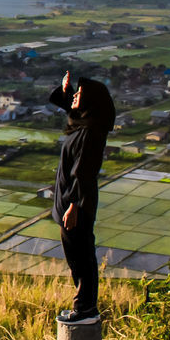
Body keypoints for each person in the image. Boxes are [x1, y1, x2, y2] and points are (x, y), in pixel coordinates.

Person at [49, 70, 115, 325]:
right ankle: (83, 306)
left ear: (90, 102)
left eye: (79, 95)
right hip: (70, 201)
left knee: (81, 257)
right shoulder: (85, 125)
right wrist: (66, 92)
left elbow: (84, 170)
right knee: (76, 257)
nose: (75, 97)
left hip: (77, 204)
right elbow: (72, 111)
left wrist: (74, 205)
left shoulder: (90, 133)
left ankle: (85, 308)